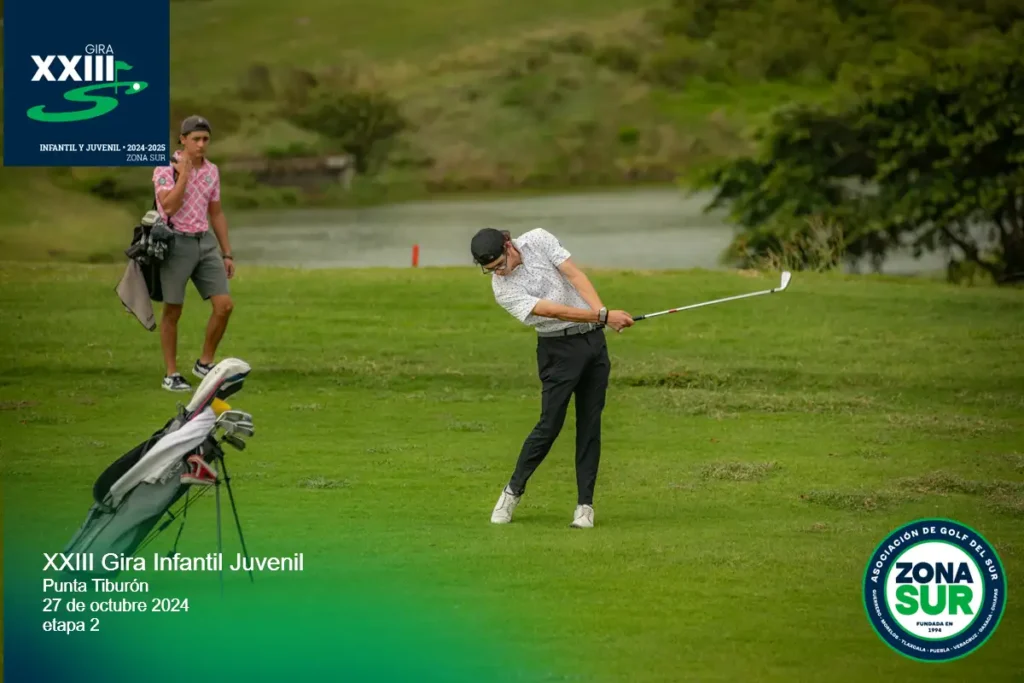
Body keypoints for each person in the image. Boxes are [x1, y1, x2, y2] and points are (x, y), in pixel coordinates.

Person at [470, 227, 634, 529]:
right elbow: (555, 311)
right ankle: (512, 492)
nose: (498, 272)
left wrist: (601, 312)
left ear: (509, 245)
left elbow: (574, 274)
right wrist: (603, 317)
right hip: (557, 351)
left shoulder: (538, 239)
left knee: (590, 424)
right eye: (490, 270)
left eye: (500, 265)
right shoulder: (502, 289)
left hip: (593, 343)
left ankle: (585, 507)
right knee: (549, 425)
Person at [152, 115, 236, 392]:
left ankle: (205, 363)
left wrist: (227, 253)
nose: (201, 144)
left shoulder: (212, 171)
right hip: (175, 242)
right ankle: (171, 374)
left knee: (224, 306)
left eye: (205, 139)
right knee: (173, 310)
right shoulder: (164, 168)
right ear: (183, 139)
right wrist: (185, 174)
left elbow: (216, 213)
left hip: (204, 242)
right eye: (196, 139)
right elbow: (169, 207)